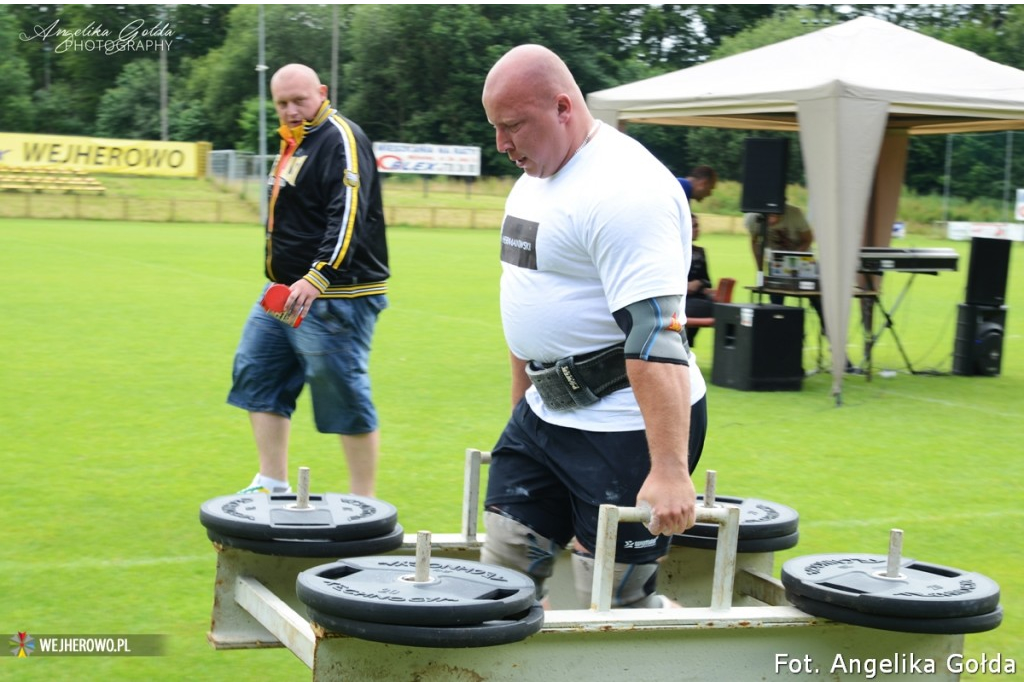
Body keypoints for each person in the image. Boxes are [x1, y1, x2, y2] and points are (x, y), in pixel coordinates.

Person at [479, 44, 708, 610]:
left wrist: (671, 470)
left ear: (562, 107)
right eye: (495, 128)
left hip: (625, 426)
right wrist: (521, 404)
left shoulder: (627, 189)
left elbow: (656, 334)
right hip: (545, 416)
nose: (502, 145)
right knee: (501, 575)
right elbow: (525, 295)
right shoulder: (534, 174)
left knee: (611, 603)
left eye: (512, 127)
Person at [227, 63, 389, 497]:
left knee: (342, 394)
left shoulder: (340, 138)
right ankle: (272, 484)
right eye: (281, 103)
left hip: (335, 295)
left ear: (322, 91)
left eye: (299, 100)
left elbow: (348, 213)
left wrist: (318, 277)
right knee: (256, 372)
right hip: (283, 292)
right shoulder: (296, 142)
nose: (291, 110)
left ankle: (363, 501)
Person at [684, 219, 714, 347]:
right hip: (681, 299)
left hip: (697, 297)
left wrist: (699, 283)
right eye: (694, 226)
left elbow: (707, 281)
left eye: (698, 226)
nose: (697, 229)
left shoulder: (699, 252)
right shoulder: (672, 251)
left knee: (725, 310)